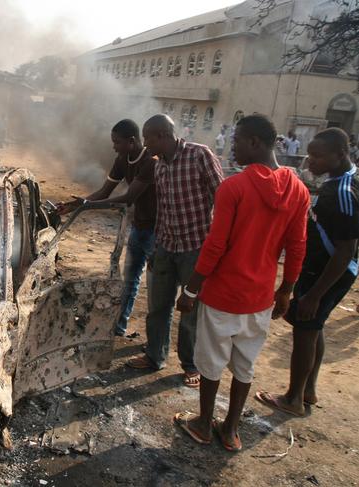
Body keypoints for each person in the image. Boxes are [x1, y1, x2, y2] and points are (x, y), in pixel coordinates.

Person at [172, 115, 309, 451]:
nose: (231, 147)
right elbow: (297, 246)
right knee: (244, 365)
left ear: (254, 142)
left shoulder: (233, 188)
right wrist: (286, 290)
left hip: (222, 295)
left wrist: (191, 289)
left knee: (211, 362)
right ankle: (231, 430)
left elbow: (215, 245)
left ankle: (204, 423)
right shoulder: (299, 191)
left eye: (236, 140)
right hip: (260, 297)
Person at [255, 128, 359, 417]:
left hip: (326, 272)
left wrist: (315, 294)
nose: (309, 161)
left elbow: (346, 250)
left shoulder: (341, 193)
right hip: (321, 268)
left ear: (340, 154)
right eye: (310, 154)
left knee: (305, 329)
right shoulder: (342, 180)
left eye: (317, 156)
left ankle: (293, 398)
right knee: (315, 327)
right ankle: (309, 390)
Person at [127, 114, 223, 388]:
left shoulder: (199, 155)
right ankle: (155, 355)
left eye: (148, 139)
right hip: (166, 246)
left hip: (196, 248)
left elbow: (222, 198)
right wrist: (155, 249)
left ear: (160, 136)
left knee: (190, 311)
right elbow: (164, 211)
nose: (145, 145)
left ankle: (190, 364)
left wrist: (216, 245)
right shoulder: (159, 166)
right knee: (158, 306)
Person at [58, 119, 156, 337]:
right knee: (130, 280)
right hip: (138, 227)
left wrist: (90, 205)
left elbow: (129, 197)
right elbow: (104, 191)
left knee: (157, 289)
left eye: (117, 142)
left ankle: (154, 342)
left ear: (131, 141)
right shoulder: (122, 159)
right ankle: (119, 327)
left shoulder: (151, 161)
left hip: (158, 230)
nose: (114, 146)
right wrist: (75, 205)